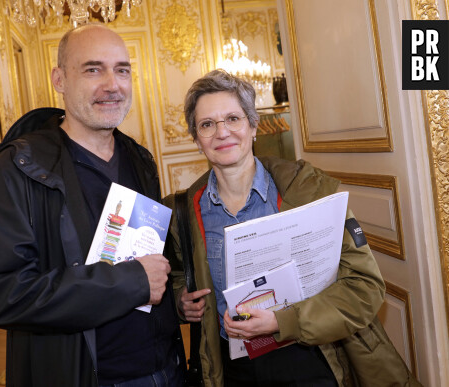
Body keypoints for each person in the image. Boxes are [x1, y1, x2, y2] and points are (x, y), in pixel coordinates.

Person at [0, 24, 184, 387]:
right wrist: (130, 281)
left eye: (122, 69)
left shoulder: (140, 159)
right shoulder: (18, 168)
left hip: (167, 369)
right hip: (88, 376)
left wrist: (177, 301)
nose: (112, 84)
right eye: (92, 69)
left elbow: (149, 257)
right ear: (59, 79)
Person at [164, 69, 392, 386]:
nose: (222, 132)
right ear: (196, 139)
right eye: (207, 124)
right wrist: (181, 301)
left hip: (309, 358)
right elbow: (176, 277)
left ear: (254, 124)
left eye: (233, 118)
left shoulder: (309, 190)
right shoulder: (182, 213)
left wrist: (281, 321)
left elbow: (365, 287)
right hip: (232, 370)